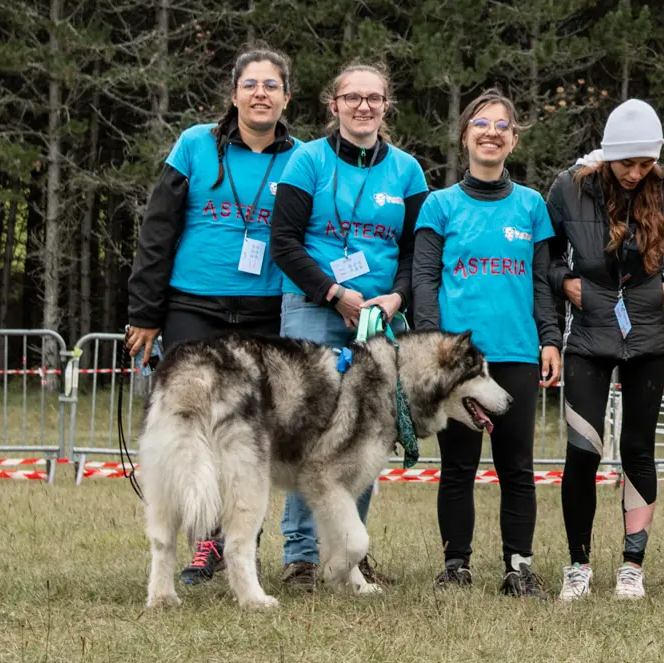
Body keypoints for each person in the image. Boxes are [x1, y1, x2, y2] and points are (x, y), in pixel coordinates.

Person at [123, 48, 298, 586]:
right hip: (191, 306)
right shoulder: (194, 145)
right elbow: (158, 229)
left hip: (266, 312)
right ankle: (198, 546)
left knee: (250, 436)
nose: (261, 94)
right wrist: (145, 312)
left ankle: (240, 548)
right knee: (188, 428)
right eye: (251, 85)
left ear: (286, 98)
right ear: (234, 94)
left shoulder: (302, 158)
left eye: (271, 85)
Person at [268, 60, 428, 589]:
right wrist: (334, 294)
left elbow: (414, 252)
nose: (363, 106)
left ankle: (349, 557)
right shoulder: (306, 162)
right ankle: (301, 557)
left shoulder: (407, 170)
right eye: (352, 97)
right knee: (305, 432)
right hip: (315, 310)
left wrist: (396, 296)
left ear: (386, 106)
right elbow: (284, 243)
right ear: (332, 104)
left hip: (379, 319)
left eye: (374, 98)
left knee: (365, 436)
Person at [411, 89, 562, 598]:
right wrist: (437, 348)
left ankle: (519, 568)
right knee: (457, 468)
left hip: (516, 355)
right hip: (459, 365)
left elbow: (542, 283)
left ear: (513, 140)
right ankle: (456, 566)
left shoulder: (532, 206)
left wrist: (550, 338)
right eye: (481, 123)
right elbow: (424, 280)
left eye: (502, 126)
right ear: (465, 135)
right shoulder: (439, 205)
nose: (491, 132)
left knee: (517, 468)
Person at [548, 99, 664, 601]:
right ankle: (577, 564)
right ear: (608, 156)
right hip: (588, 336)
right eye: (627, 163)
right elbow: (545, 253)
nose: (636, 173)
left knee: (638, 449)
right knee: (582, 452)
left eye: (645, 163)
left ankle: (632, 566)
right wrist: (568, 283)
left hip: (650, 336)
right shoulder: (569, 187)